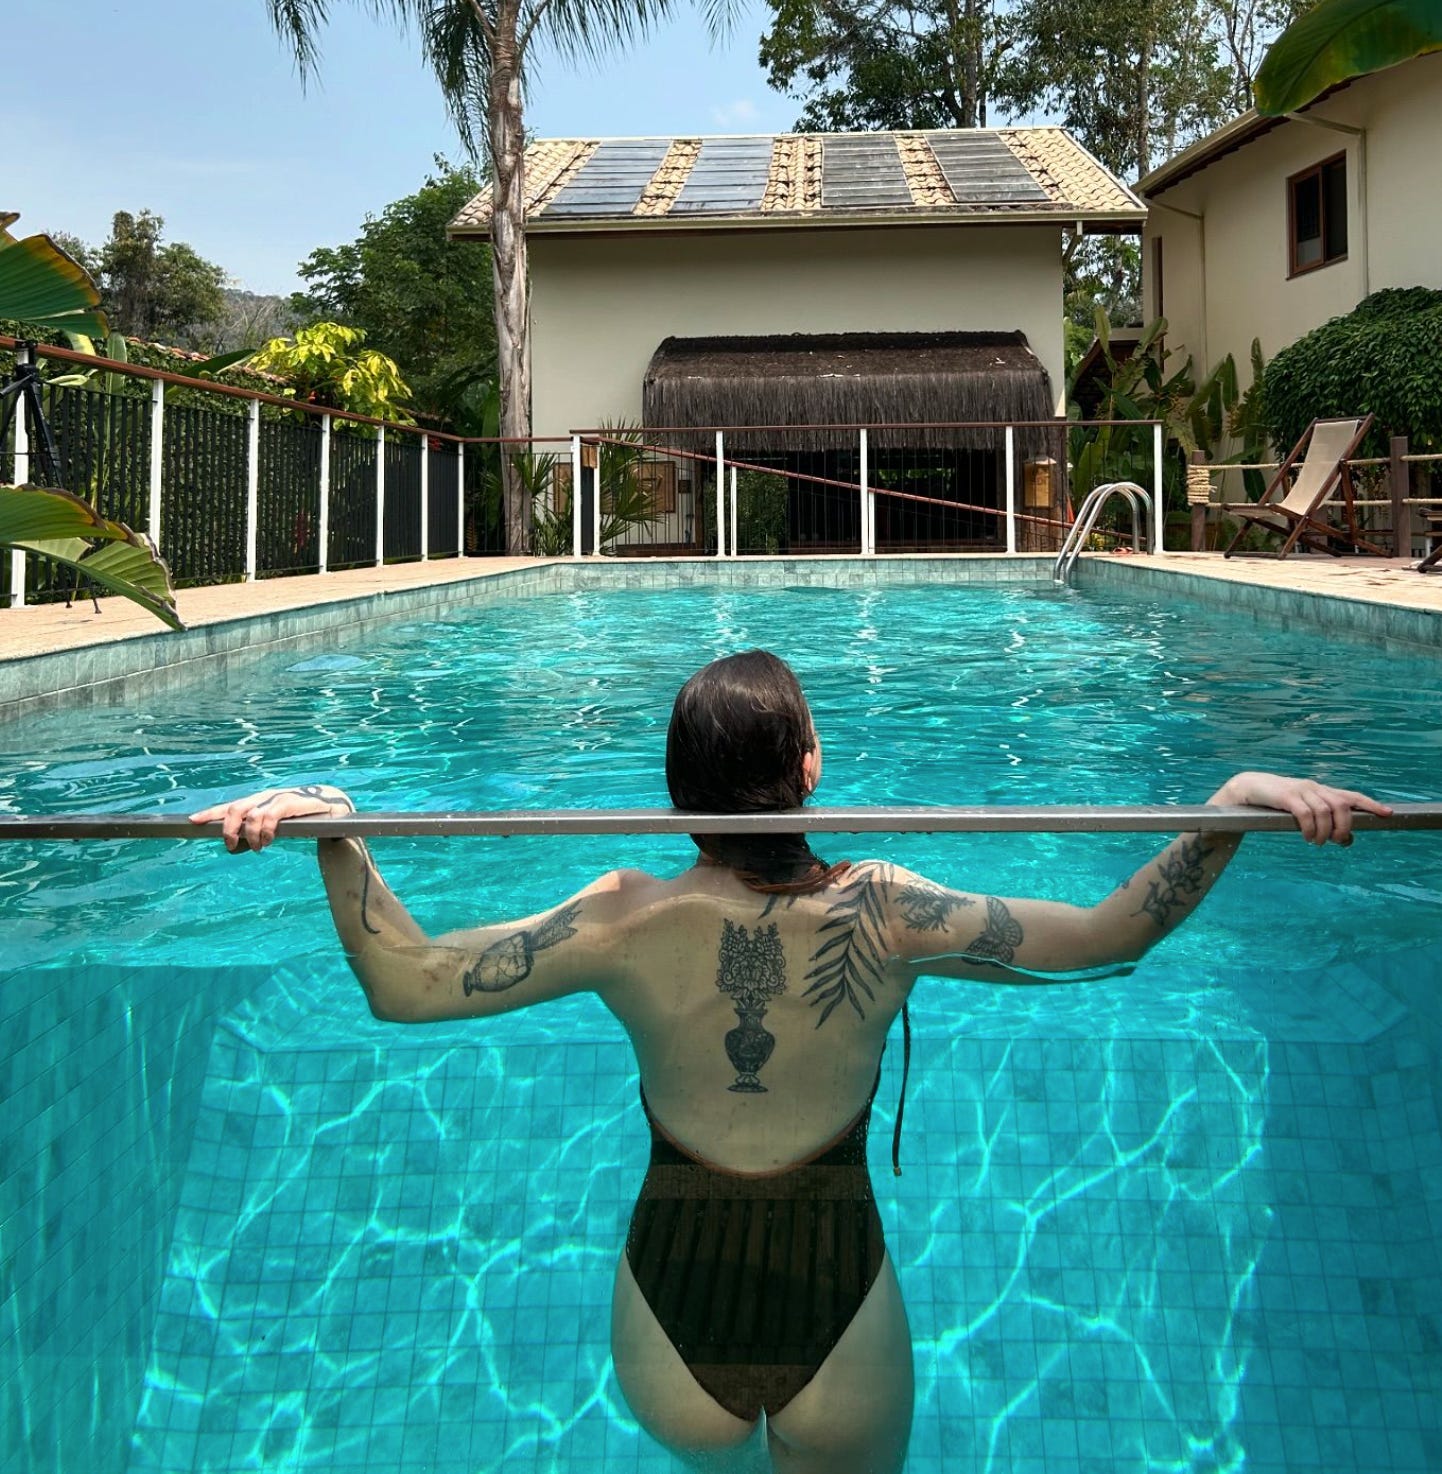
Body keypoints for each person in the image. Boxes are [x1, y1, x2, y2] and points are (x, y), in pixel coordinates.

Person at [191, 650, 1389, 1474]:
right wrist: (1232, 801)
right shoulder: (888, 909)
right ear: (808, 765)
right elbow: (1105, 937)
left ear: (676, 790)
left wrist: (334, 830)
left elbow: (404, 984)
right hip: (836, 1286)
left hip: (669, 1295)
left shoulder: (620, 917)